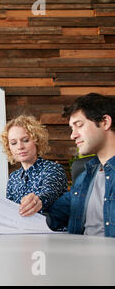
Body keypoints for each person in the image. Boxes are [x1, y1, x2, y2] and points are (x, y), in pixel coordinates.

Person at [0, 115, 67, 232]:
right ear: (9, 148)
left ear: (37, 141)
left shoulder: (53, 169)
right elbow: (9, 215)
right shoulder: (14, 177)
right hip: (22, 238)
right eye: (13, 143)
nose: (20, 147)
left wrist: (37, 200)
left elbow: (47, 194)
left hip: (54, 237)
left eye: (25, 140)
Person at [46, 93, 115, 237]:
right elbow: (53, 216)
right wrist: (38, 201)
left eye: (79, 125)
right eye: (72, 128)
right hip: (81, 256)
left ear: (105, 122)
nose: (73, 135)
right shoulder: (85, 176)